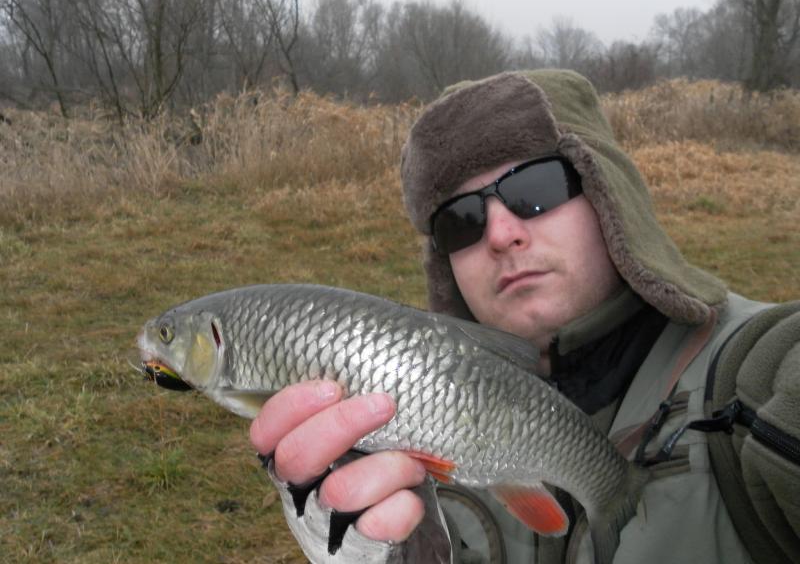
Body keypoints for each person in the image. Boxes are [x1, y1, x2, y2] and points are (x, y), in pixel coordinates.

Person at [249, 70, 800, 563]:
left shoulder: (755, 373)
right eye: (462, 219)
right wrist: (393, 552)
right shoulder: (405, 429)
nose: (500, 233)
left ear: (609, 196)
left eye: (534, 189)